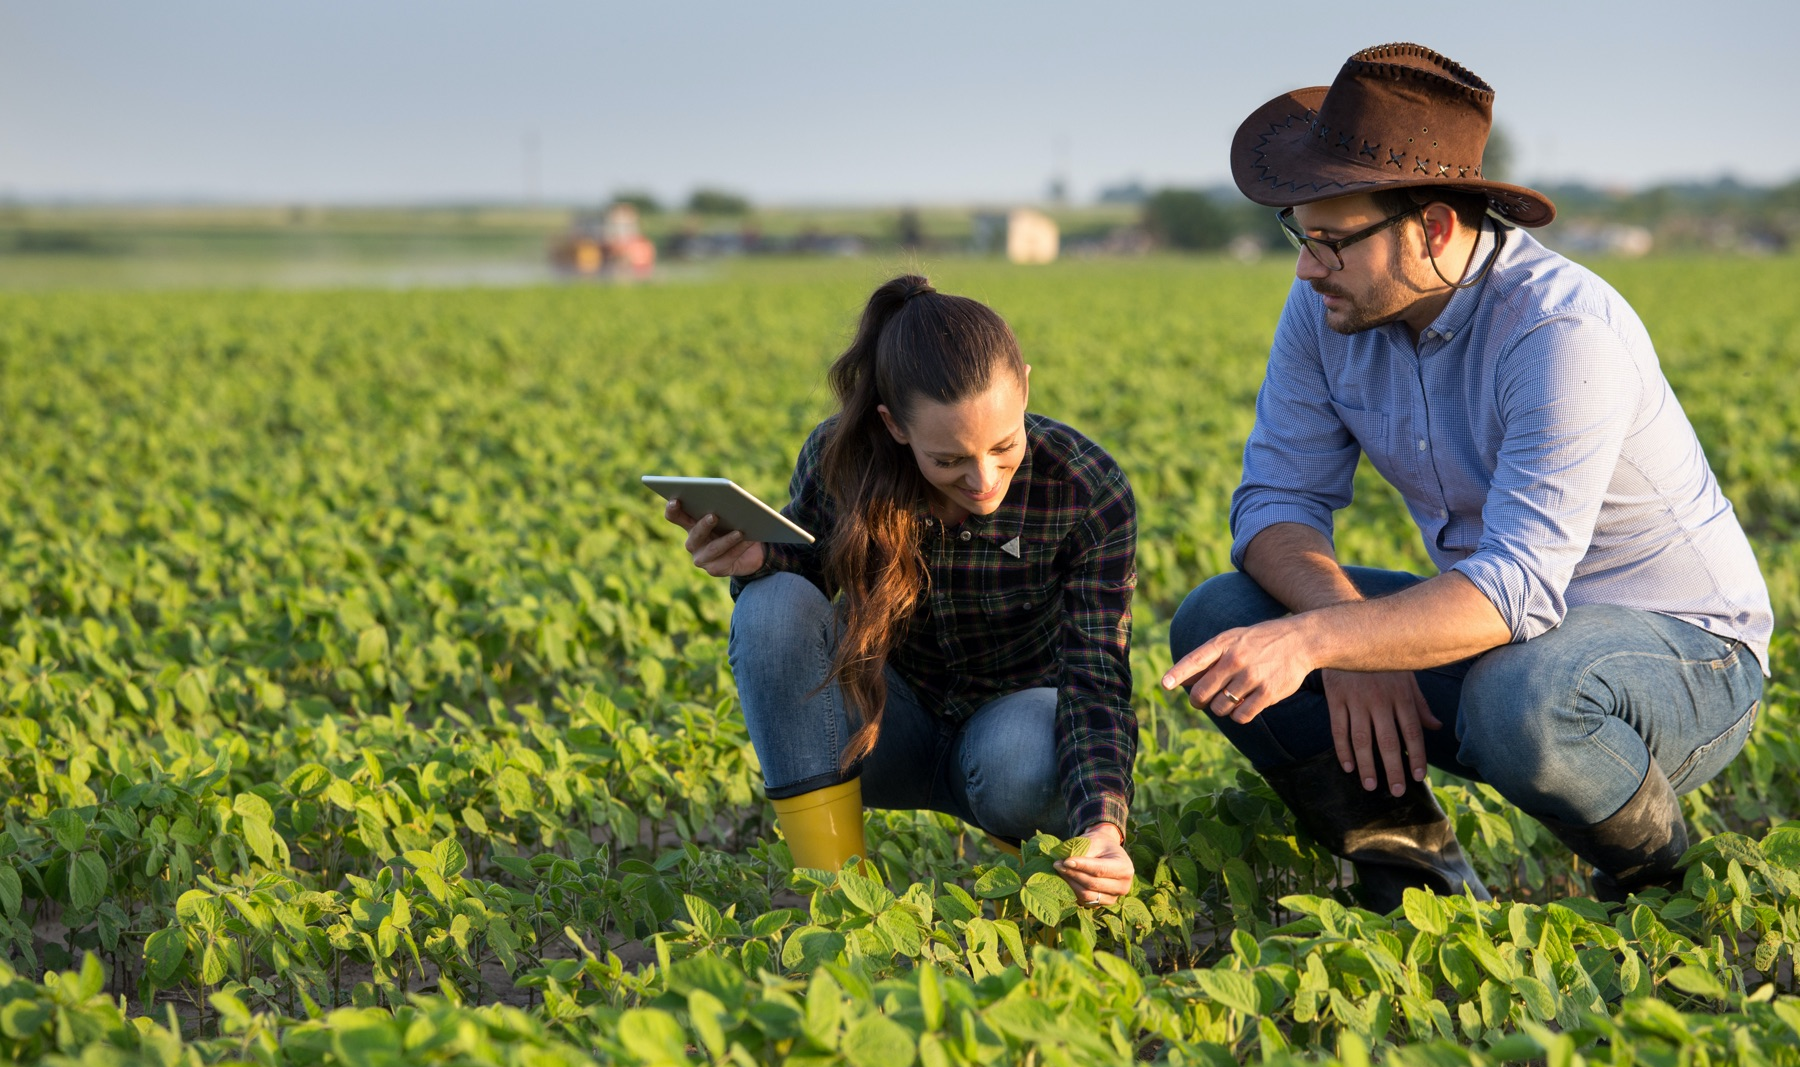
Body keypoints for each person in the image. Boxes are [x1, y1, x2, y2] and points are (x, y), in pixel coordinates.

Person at [1164, 43, 1771, 910]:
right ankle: (1417, 884)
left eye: (1332, 240)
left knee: (1521, 697)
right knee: (1219, 619)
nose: (1306, 265)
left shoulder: (1561, 333)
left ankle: (1661, 885)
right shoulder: (1327, 306)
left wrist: (1325, 641)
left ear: (1435, 228)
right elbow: (1274, 505)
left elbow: (1517, 590)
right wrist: (1345, 631)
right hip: (1509, 635)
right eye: (1301, 233)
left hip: (1688, 655)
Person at [666, 275, 1139, 906]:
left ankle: (1037, 902)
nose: (982, 479)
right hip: (886, 723)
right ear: (894, 426)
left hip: (1009, 737)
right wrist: (757, 558)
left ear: (1024, 386)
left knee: (1032, 746)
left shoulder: (1085, 488)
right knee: (772, 603)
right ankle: (838, 904)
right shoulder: (845, 459)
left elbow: (1095, 676)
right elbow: (799, 590)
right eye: (948, 460)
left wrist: (1103, 825)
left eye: (1003, 447)